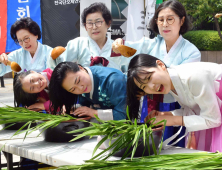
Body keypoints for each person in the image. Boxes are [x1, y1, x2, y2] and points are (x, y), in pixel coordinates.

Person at [112, 0, 201, 147]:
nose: (165, 24)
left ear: (182, 20)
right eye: (161, 20)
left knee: (174, 150)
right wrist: (119, 43)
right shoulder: (150, 44)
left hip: (176, 108)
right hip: (150, 106)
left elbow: (180, 80)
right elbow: (128, 49)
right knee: (149, 148)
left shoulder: (192, 52)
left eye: (170, 19)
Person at [127, 53, 222, 152]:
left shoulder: (193, 77)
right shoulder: (172, 83)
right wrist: (168, 115)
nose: (151, 87)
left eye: (149, 78)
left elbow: (213, 119)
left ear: (160, 65)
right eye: (144, 87)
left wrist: (172, 120)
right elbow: (196, 109)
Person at [47, 2, 121, 71]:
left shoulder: (118, 48)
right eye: (89, 23)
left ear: (108, 23)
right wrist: (54, 57)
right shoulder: (78, 44)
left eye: (98, 22)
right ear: (85, 27)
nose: (94, 27)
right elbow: (58, 66)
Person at [49, 62, 126, 121]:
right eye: (73, 89)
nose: (80, 88)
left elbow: (124, 114)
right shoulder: (86, 83)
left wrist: (93, 113)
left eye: (78, 81)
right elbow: (86, 105)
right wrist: (73, 109)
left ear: (81, 68)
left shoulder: (113, 80)